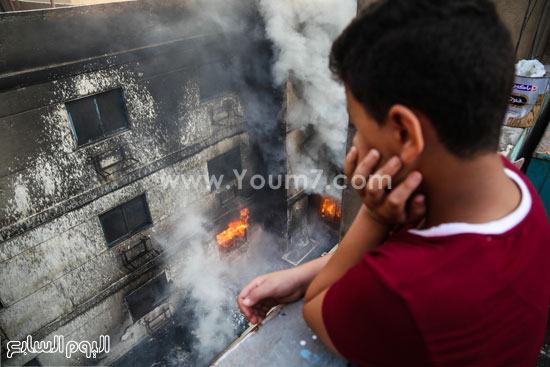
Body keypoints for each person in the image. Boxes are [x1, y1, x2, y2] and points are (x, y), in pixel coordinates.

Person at [238, 0, 550, 365]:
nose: (355, 145)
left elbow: (318, 308)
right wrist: (302, 274)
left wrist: (373, 215)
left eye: (359, 127)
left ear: (404, 132)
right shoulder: (512, 186)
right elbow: (394, 248)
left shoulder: (406, 290)